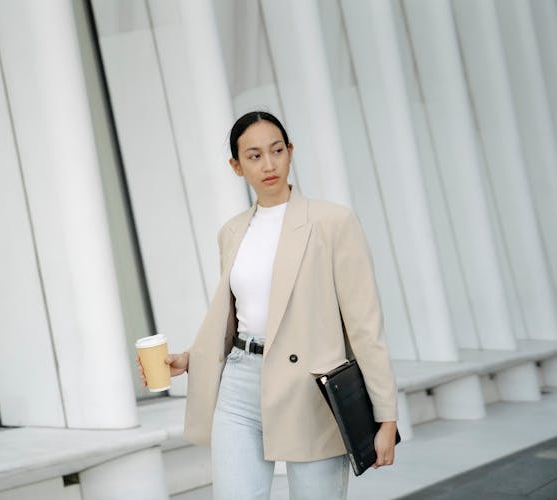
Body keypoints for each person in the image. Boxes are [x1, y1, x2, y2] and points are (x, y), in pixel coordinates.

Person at [137, 111, 398, 499]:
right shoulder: (232, 231)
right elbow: (239, 317)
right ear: (236, 166)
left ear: (290, 152)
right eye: (254, 155)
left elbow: (364, 325)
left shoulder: (332, 222)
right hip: (240, 385)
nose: (269, 164)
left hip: (311, 390)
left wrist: (386, 416)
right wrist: (192, 358)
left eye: (277, 150)